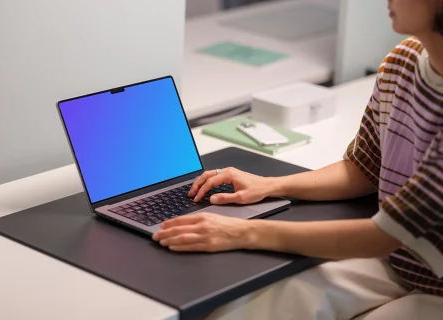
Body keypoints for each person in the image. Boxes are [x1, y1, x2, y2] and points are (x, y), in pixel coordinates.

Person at [153, 0, 443, 319]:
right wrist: (269, 185)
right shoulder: (403, 61)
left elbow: (382, 237)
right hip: (404, 260)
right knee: (251, 307)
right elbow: (364, 166)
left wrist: (238, 232)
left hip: (418, 270)